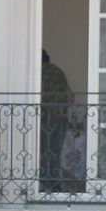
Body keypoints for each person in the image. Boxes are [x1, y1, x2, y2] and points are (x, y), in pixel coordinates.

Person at [39, 48, 79, 193]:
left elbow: (41, 93)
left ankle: (44, 183)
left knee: (43, 149)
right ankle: (55, 183)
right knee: (55, 150)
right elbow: (70, 96)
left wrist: (39, 108)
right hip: (61, 116)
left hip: (45, 116)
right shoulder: (58, 71)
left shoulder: (39, 71)